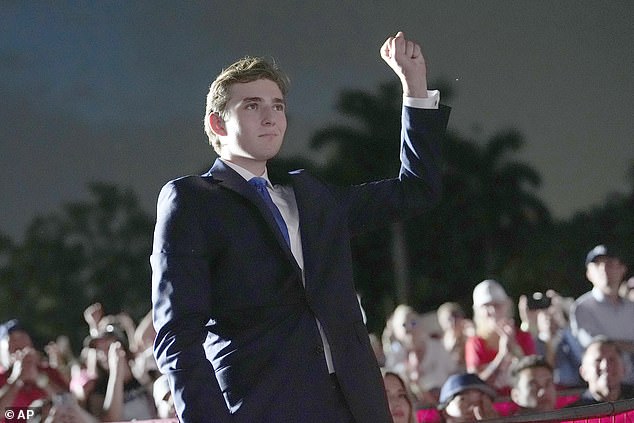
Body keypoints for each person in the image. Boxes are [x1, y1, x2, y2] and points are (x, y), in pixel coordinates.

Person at [151, 31, 450, 423]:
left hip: (357, 403)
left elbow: (416, 190)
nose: (270, 116)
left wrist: (414, 86)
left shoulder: (311, 196)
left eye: (277, 105)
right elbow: (178, 336)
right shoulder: (192, 200)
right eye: (252, 105)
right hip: (265, 405)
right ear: (217, 124)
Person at [570, 244, 634, 383]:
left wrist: (616, 344)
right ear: (588, 274)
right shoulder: (582, 307)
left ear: (622, 269)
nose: (604, 269)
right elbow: (594, 346)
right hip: (603, 383)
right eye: (597, 265)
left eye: (610, 263)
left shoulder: (631, 307)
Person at [465, 279, 535, 394]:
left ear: (507, 306)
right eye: (486, 306)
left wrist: (514, 348)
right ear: (478, 311)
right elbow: (475, 384)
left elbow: (534, 375)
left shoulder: (523, 337)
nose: (492, 311)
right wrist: (502, 355)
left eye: (497, 305)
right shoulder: (475, 343)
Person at [384, 304, 456, 406]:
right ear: (397, 331)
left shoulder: (438, 348)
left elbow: (452, 373)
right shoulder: (395, 357)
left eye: (413, 323)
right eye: (404, 325)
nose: (409, 329)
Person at [0, 320, 69, 415]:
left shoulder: (48, 372)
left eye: (23, 341)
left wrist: (40, 379)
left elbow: (69, 407)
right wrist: (16, 379)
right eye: (12, 342)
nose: (20, 353)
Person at [566, 337, 634, 407]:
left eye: (612, 360)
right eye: (598, 360)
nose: (605, 366)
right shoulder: (573, 415)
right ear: (583, 372)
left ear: (624, 368)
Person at [437, 302, 473, 373]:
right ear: (442, 323)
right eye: (449, 319)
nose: (453, 322)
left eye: (456, 317)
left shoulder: (469, 336)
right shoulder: (441, 344)